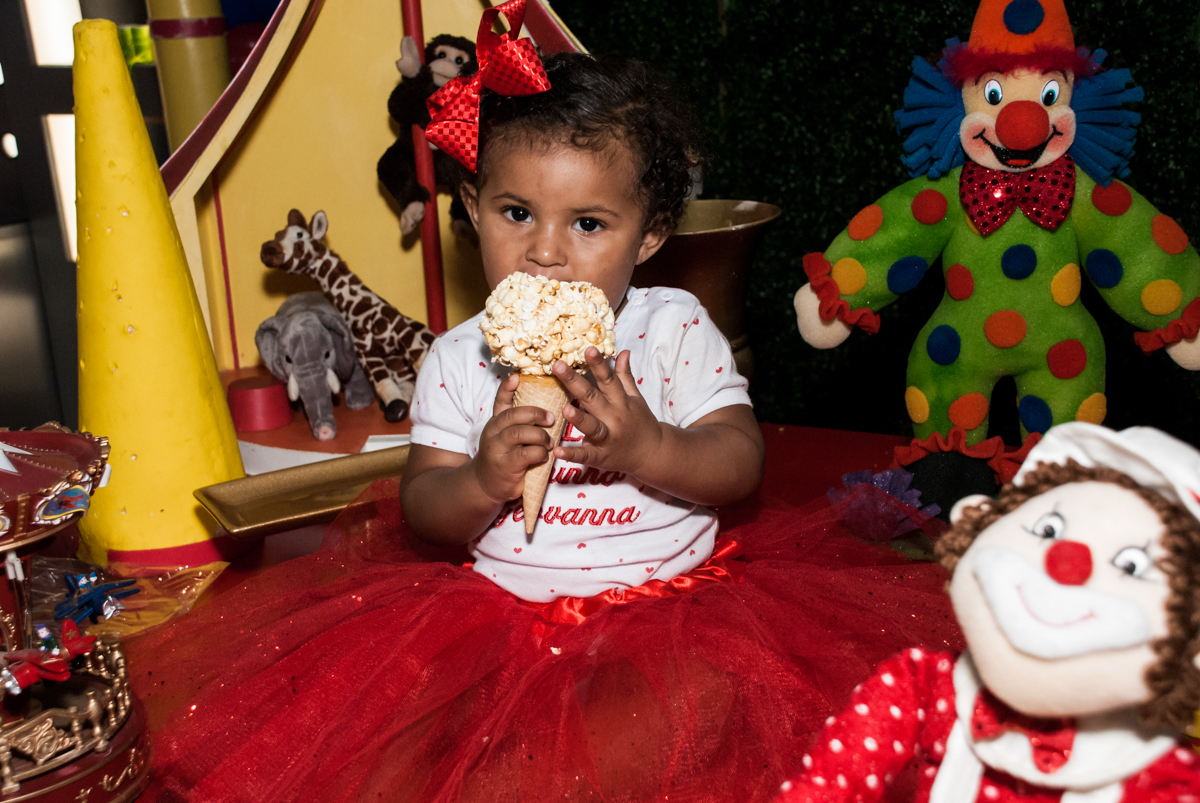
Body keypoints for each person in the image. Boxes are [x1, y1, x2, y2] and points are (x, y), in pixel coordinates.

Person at [123, 6, 962, 801]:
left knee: (685, 715)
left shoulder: (672, 327)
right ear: (472, 209)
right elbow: (425, 505)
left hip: (675, 605)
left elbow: (740, 463)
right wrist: (481, 477)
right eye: (516, 212)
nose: (547, 250)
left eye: (590, 223)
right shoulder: (460, 356)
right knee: (408, 742)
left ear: (652, 232)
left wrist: (650, 446)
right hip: (498, 617)